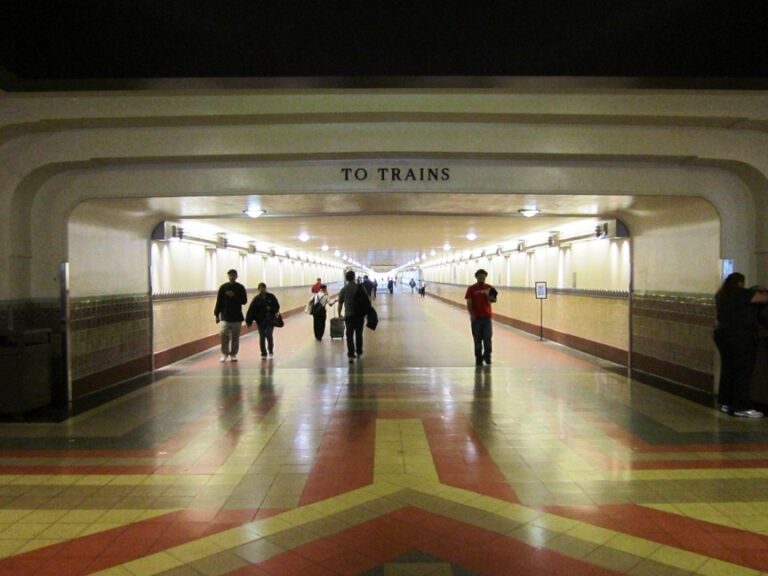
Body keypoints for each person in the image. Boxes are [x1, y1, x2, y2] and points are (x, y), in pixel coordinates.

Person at [714, 272, 768, 417]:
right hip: (740, 336)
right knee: (743, 370)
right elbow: (763, 299)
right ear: (740, 282)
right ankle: (742, 407)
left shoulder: (721, 294)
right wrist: (762, 290)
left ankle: (726, 402)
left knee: (728, 369)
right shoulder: (740, 292)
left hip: (722, 334)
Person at [213, 269, 247, 362]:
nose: (232, 277)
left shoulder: (240, 287)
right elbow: (218, 301)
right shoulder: (223, 287)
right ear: (228, 276)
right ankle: (225, 353)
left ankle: (233, 354)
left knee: (235, 336)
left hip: (236, 317)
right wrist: (216, 314)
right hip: (225, 316)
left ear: (236, 276)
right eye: (230, 275)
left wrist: (234, 296)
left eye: (233, 275)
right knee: (223, 335)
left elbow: (244, 301)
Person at [465, 269, 497, 366]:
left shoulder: (490, 288)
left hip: (487, 318)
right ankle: (478, 358)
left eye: (483, 277)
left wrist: (489, 297)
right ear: (476, 277)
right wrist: (471, 314)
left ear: (485, 277)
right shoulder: (471, 289)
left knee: (487, 339)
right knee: (477, 340)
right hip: (476, 319)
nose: (481, 279)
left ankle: (487, 356)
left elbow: (494, 300)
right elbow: (469, 302)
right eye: (480, 277)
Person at [338, 270, 371, 363]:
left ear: (346, 278)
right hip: (359, 315)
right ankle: (359, 352)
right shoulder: (360, 288)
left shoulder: (344, 289)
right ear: (354, 277)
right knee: (359, 334)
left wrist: (339, 313)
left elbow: (340, 303)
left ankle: (351, 355)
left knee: (349, 335)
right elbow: (367, 300)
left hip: (348, 316)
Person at [246, 282, 281, 359]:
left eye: (263, 288)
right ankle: (263, 353)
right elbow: (251, 310)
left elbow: (277, 306)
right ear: (258, 289)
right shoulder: (256, 299)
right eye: (260, 288)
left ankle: (271, 351)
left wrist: (271, 309)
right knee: (262, 337)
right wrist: (249, 321)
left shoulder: (271, 297)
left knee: (269, 335)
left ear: (265, 288)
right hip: (260, 321)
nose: (262, 290)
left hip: (270, 320)